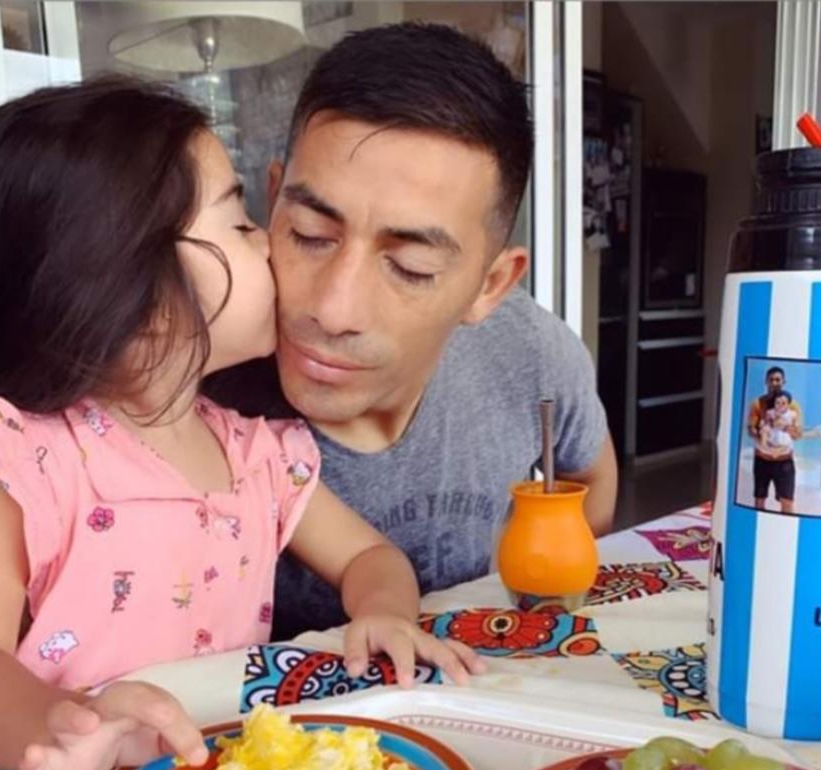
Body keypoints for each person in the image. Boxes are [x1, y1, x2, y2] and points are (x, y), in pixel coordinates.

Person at [0, 78, 482, 770]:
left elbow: (371, 554)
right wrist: (65, 723)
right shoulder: (22, 455)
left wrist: (385, 612)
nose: (273, 251)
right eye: (241, 223)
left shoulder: (261, 458)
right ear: (126, 284)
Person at [206, 22, 618, 640]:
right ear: (271, 202)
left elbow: (594, 482)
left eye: (410, 267)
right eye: (310, 235)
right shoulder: (192, 386)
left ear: (490, 285)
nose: (332, 309)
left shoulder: (530, 353)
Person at [746, 367, 802, 513]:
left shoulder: (793, 407)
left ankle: (787, 533)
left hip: (784, 461)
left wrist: (784, 427)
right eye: (771, 380)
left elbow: (798, 434)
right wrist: (764, 432)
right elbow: (750, 429)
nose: (774, 383)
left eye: (778, 380)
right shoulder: (758, 403)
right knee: (759, 501)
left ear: (783, 381)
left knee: (787, 503)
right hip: (763, 459)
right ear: (766, 382)